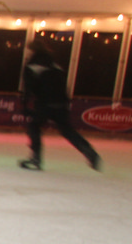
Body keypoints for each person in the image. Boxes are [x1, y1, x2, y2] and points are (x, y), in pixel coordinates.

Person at [19, 39, 101, 171]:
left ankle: (36, 158)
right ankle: (90, 152)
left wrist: (24, 105)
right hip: (61, 102)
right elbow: (63, 85)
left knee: (34, 127)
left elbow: (28, 88)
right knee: (67, 130)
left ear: (32, 50)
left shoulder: (32, 65)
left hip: (45, 103)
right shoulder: (55, 65)